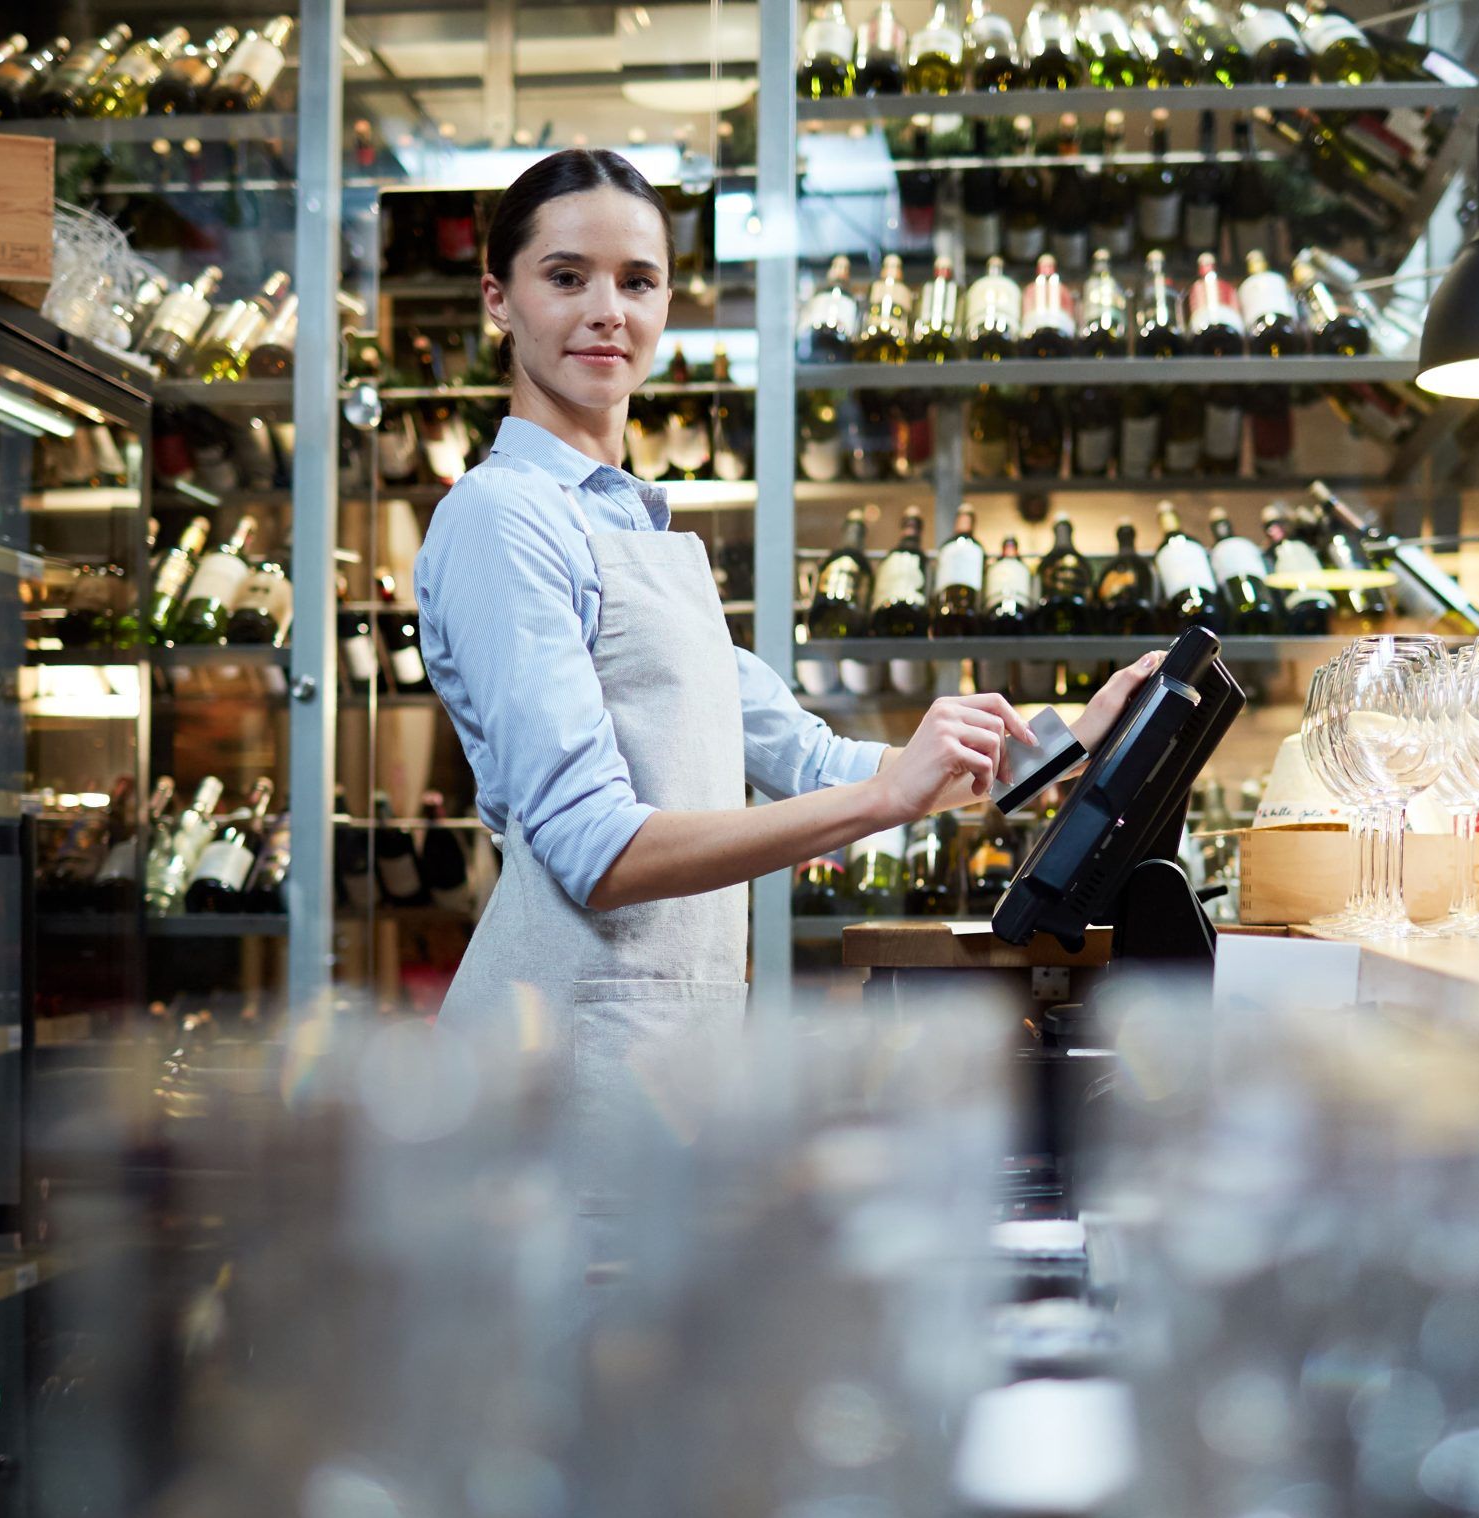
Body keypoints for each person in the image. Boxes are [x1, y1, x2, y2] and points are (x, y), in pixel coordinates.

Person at [415, 148, 1157, 1096]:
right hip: (551, 1064)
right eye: (567, 277)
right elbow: (594, 850)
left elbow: (810, 763)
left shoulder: (634, 524)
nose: (608, 309)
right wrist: (886, 803)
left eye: (638, 281)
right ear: (498, 299)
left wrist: (1057, 746)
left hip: (660, 1050)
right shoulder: (501, 514)